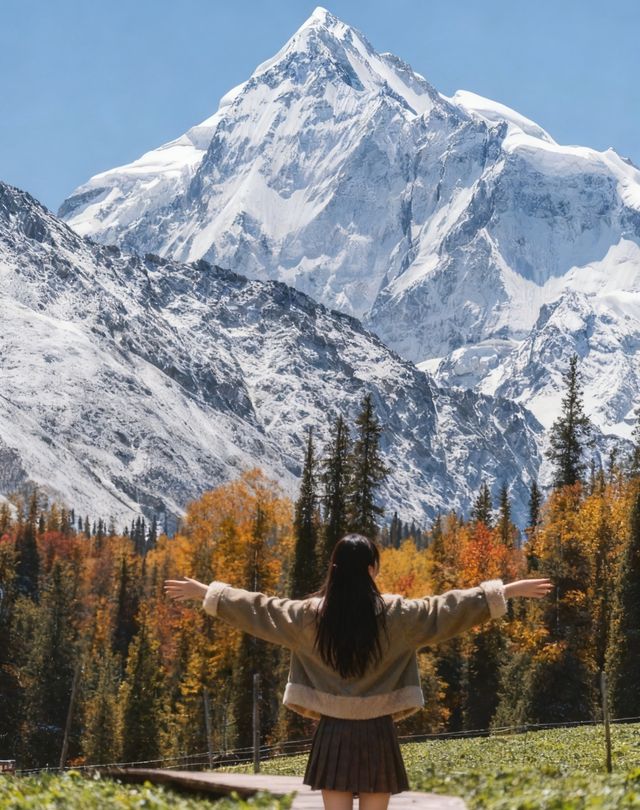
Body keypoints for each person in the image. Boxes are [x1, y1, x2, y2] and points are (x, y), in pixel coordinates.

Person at [164, 533, 552, 810]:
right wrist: (507, 591)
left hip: (332, 732)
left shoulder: (308, 617)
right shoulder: (398, 615)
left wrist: (208, 593)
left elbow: (262, 608)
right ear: (371, 569)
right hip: (377, 731)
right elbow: (445, 609)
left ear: (334, 568)